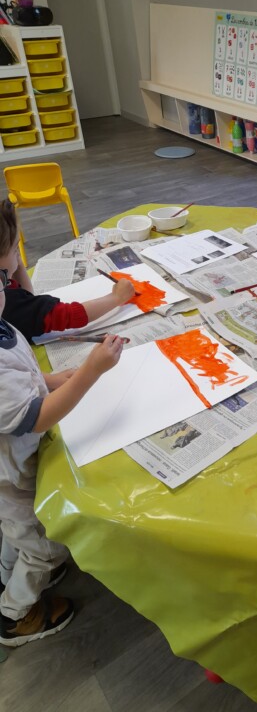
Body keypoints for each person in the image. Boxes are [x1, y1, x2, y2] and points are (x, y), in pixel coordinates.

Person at [0, 261, 125, 646]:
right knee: (46, 547)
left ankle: (8, 569)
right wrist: (90, 372)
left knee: (17, 533)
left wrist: (51, 380)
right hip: (12, 478)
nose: (6, 286)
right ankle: (14, 614)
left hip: (14, 470)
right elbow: (36, 417)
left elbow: (19, 377)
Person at [0, 199, 135, 342]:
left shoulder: (8, 288)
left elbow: (27, 299)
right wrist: (116, 297)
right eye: (15, 249)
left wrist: (16, 262)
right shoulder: (9, 302)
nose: (18, 254)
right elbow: (69, 315)